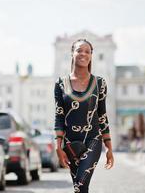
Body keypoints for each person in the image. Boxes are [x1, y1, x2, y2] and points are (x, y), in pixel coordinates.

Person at [54, 39, 114, 193]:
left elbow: (102, 115)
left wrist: (109, 147)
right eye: (79, 50)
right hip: (70, 144)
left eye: (87, 51)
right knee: (80, 188)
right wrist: (58, 146)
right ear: (72, 53)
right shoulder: (61, 83)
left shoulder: (99, 83)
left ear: (91, 56)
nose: (83, 54)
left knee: (80, 185)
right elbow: (59, 116)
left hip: (93, 140)